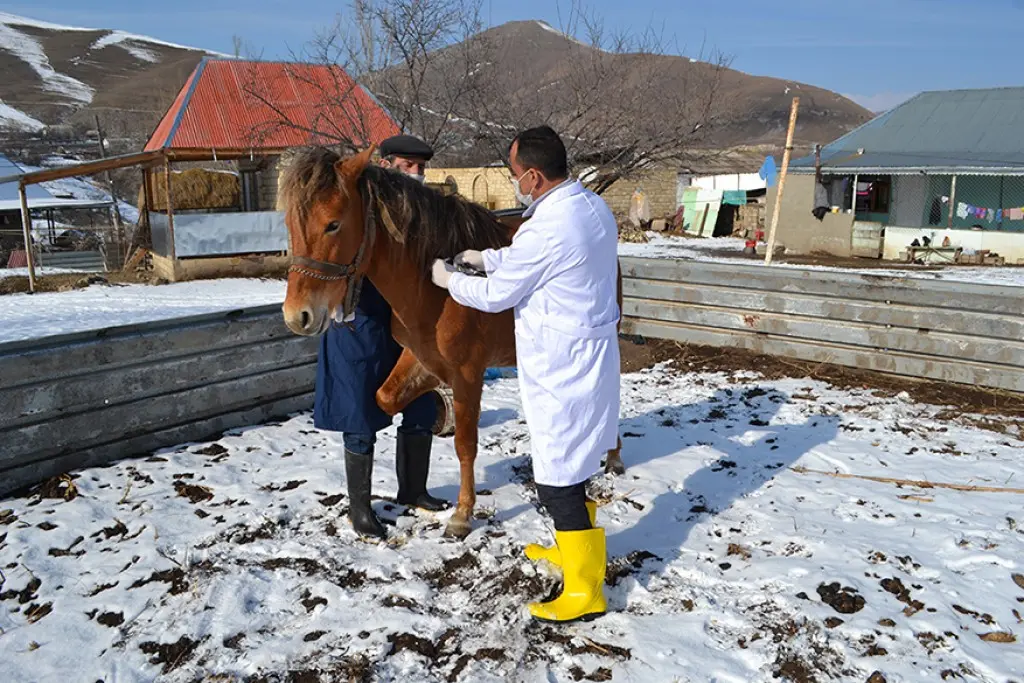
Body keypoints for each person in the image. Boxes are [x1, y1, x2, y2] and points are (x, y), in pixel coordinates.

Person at [430, 126, 620, 623]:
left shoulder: (549, 226)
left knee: (557, 474)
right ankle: (575, 550)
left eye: (515, 175)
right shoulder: (590, 207)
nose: (515, 183)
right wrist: (486, 257)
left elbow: (497, 296)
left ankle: (585, 589)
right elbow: (537, 260)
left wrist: (451, 280)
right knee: (574, 462)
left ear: (534, 176)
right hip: (588, 354)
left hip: (562, 364)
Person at [315, 133, 447, 541]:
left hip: (409, 323)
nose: (417, 174)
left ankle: (413, 489)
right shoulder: (357, 205)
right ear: (386, 165)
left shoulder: (419, 210)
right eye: (409, 166)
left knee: (421, 404)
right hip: (362, 319)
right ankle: (359, 508)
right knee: (360, 415)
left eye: (421, 167)